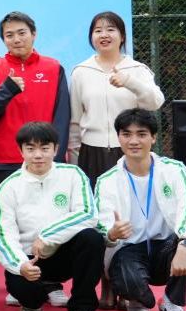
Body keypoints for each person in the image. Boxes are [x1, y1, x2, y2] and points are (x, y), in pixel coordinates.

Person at [0, 122, 105, 311]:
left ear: (56, 149)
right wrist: (20, 265)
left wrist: (48, 236)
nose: (38, 155)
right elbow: (2, 236)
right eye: (30, 149)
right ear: (21, 151)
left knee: (92, 238)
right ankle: (31, 303)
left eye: (45, 148)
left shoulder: (73, 174)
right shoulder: (8, 187)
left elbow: (88, 214)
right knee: (30, 297)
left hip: (64, 254)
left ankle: (83, 310)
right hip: (30, 259)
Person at [96, 109, 186, 311]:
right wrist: (112, 233)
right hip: (129, 249)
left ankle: (172, 304)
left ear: (153, 138)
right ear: (119, 138)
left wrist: (184, 246)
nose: (134, 141)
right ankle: (138, 298)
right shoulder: (106, 180)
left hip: (166, 246)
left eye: (141, 134)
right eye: (126, 134)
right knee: (131, 286)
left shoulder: (175, 170)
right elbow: (101, 224)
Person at [0, 11, 70, 192]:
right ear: (3, 39)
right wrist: (7, 90)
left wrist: (56, 156)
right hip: (6, 160)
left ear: (33, 34)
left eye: (22, 33)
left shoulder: (53, 67)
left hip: (46, 158)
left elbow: (62, 116)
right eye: (9, 35)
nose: (16, 39)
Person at [69, 11, 165, 185]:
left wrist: (129, 82)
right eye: (98, 31)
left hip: (130, 149)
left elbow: (155, 102)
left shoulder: (138, 70)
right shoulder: (80, 72)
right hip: (91, 152)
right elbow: (75, 120)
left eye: (111, 29)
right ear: (91, 37)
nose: (104, 35)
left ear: (122, 36)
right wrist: (75, 160)